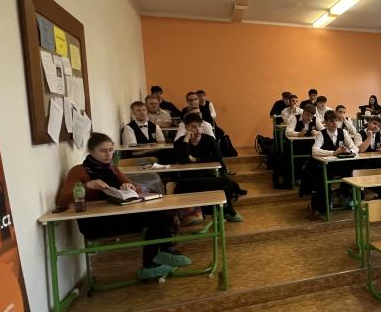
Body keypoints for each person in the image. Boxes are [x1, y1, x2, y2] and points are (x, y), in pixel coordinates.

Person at [56, 133, 190, 280]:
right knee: (155, 218)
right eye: (103, 151)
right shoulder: (79, 171)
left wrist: (129, 187)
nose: (108, 154)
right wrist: (87, 185)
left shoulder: (112, 169)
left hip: (117, 216)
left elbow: (137, 189)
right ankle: (159, 256)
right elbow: (63, 200)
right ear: (91, 151)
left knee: (157, 214)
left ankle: (158, 257)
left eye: (111, 150)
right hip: (95, 223)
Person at [172, 113, 244, 222]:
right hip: (188, 177)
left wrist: (196, 160)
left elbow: (218, 157)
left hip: (207, 173)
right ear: (186, 128)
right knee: (223, 182)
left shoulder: (209, 139)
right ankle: (227, 209)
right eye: (193, 127)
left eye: (200, 126)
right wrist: (186, 140)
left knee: (220, 184)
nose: (198, 129)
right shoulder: (180, 142)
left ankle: (225, 211)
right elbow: (183, 160)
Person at [303, 110, 358, 219]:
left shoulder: (343, 132)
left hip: (340, 164)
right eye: (332, 121)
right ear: (326, 123)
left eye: (336, 121)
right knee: (320, 178)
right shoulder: (321, 134)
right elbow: (314, 151)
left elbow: (355, 147)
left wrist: (349, 151)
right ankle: (319, 208)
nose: (335, 123)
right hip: (325, 165)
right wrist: (333, 153)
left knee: (353, 171)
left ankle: (347, 197)